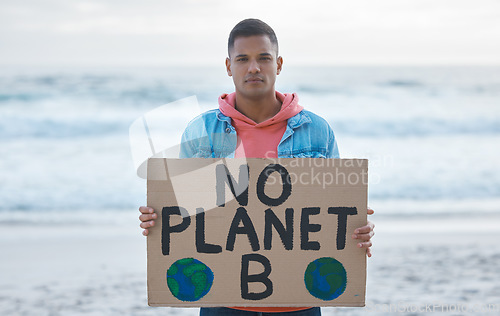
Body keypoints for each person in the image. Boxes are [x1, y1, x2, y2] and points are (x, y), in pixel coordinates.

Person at [139, 18, 375, 316]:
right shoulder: (201, 131)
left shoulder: (317, 131)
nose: (254, 68)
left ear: (278, 64)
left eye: (263, 58)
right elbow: (185, 211)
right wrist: (157, 218)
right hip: (223, 300)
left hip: (298, 301)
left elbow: (333, 213)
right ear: (228, 66)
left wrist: (356, 227)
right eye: (243, 59)